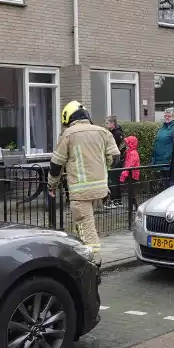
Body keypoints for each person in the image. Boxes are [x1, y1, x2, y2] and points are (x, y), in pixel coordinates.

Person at [48, 101, 120, 265]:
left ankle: (94, 262)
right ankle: (80, 256)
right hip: (100, 191)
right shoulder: (103, 132)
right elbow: (115, 158)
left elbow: (56, 165)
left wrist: (52, 185)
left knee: (86, 227)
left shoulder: (68, 135)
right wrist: (102, 171)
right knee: (84, 223)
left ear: (69, 117)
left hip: (80, 192)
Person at [152, 107, 174, 186]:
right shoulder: (162, 128)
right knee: (163, 184)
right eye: (165, 116)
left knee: (169, 185)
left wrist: (170, 158)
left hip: (168, 161)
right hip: (160, 161)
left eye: (169, 116)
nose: (166, 117)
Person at [105, 115, 126, 207]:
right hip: (115, 159)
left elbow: (113, 147)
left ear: (112, 123)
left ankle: (115, 200)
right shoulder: (114, 132)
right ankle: (116, 200)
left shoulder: (117, 134)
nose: (106, 125)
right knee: (114, 180)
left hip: (116, 160)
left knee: (113, 180)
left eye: (107, 123)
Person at [119, 135, 141, 225]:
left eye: (127, 143)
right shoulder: (130, 152)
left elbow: (130, 165)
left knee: (132, 192)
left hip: (131, 175)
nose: (126, 145)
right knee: (131, 192)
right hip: (130, 174)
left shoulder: (132, 153)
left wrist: (124, 174)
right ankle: (134, 207)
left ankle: (134, 207)